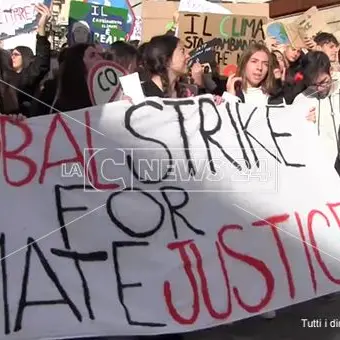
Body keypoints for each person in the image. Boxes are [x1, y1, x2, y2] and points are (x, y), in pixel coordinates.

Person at [4, 3, 51, 116]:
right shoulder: (3, 75)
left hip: (21, 124)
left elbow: (42, 59)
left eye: (16, 54)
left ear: (25, 58)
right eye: (11, 54)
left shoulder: (28, 77)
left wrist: (41, 28)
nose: (12, 56)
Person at [31, 43, 103, 116]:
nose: (100, 58)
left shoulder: (105, 90)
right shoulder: (54, 90)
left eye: (100, 54)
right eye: (92, 55)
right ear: (78, 63)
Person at [293, 51, 338, 157]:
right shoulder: (302, 100)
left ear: (330, 71)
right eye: (314, 84)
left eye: (323, 82)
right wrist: (304, 124)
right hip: (321, 163)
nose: (319, 89)